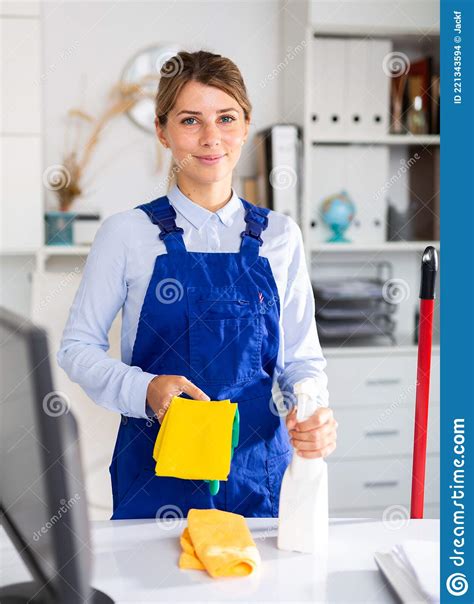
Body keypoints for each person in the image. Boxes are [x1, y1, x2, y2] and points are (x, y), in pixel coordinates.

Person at [57, 50, 338, 520]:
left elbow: (301, 359)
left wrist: (311, 409)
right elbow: (76, 348)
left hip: (258, 478)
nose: (211, 138)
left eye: (226, 118)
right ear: (163, 131)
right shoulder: (126, 234)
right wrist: (143, 388)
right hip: (155, 477)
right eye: (190, 121)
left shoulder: (281, 236)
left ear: (246, 125)